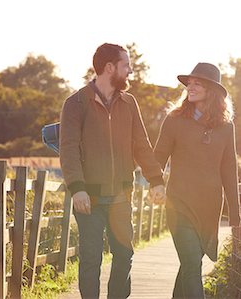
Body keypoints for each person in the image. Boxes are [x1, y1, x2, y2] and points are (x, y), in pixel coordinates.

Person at [59, 43, 165, 299]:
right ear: (109, 68)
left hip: (120, 196)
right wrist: (77, 189)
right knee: (91, 259)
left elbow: (141, 144)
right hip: (89, 198)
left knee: (124, 255)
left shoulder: (129, 103)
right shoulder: (76, 103)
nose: (129, 71)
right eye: (125, 65)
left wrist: (156, 180)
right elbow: (69, 149)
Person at [153, 62, 241, 298]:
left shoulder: (226, 127)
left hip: (209, 208)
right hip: (179, 204)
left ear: (211, 90)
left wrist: (235, 208)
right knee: (192, 263)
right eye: (189, 83)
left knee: (189, 265)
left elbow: (229, 168)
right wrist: (155, 183)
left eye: (197, 83)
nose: (190, 87)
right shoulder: (174, 119)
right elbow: (158, 155)